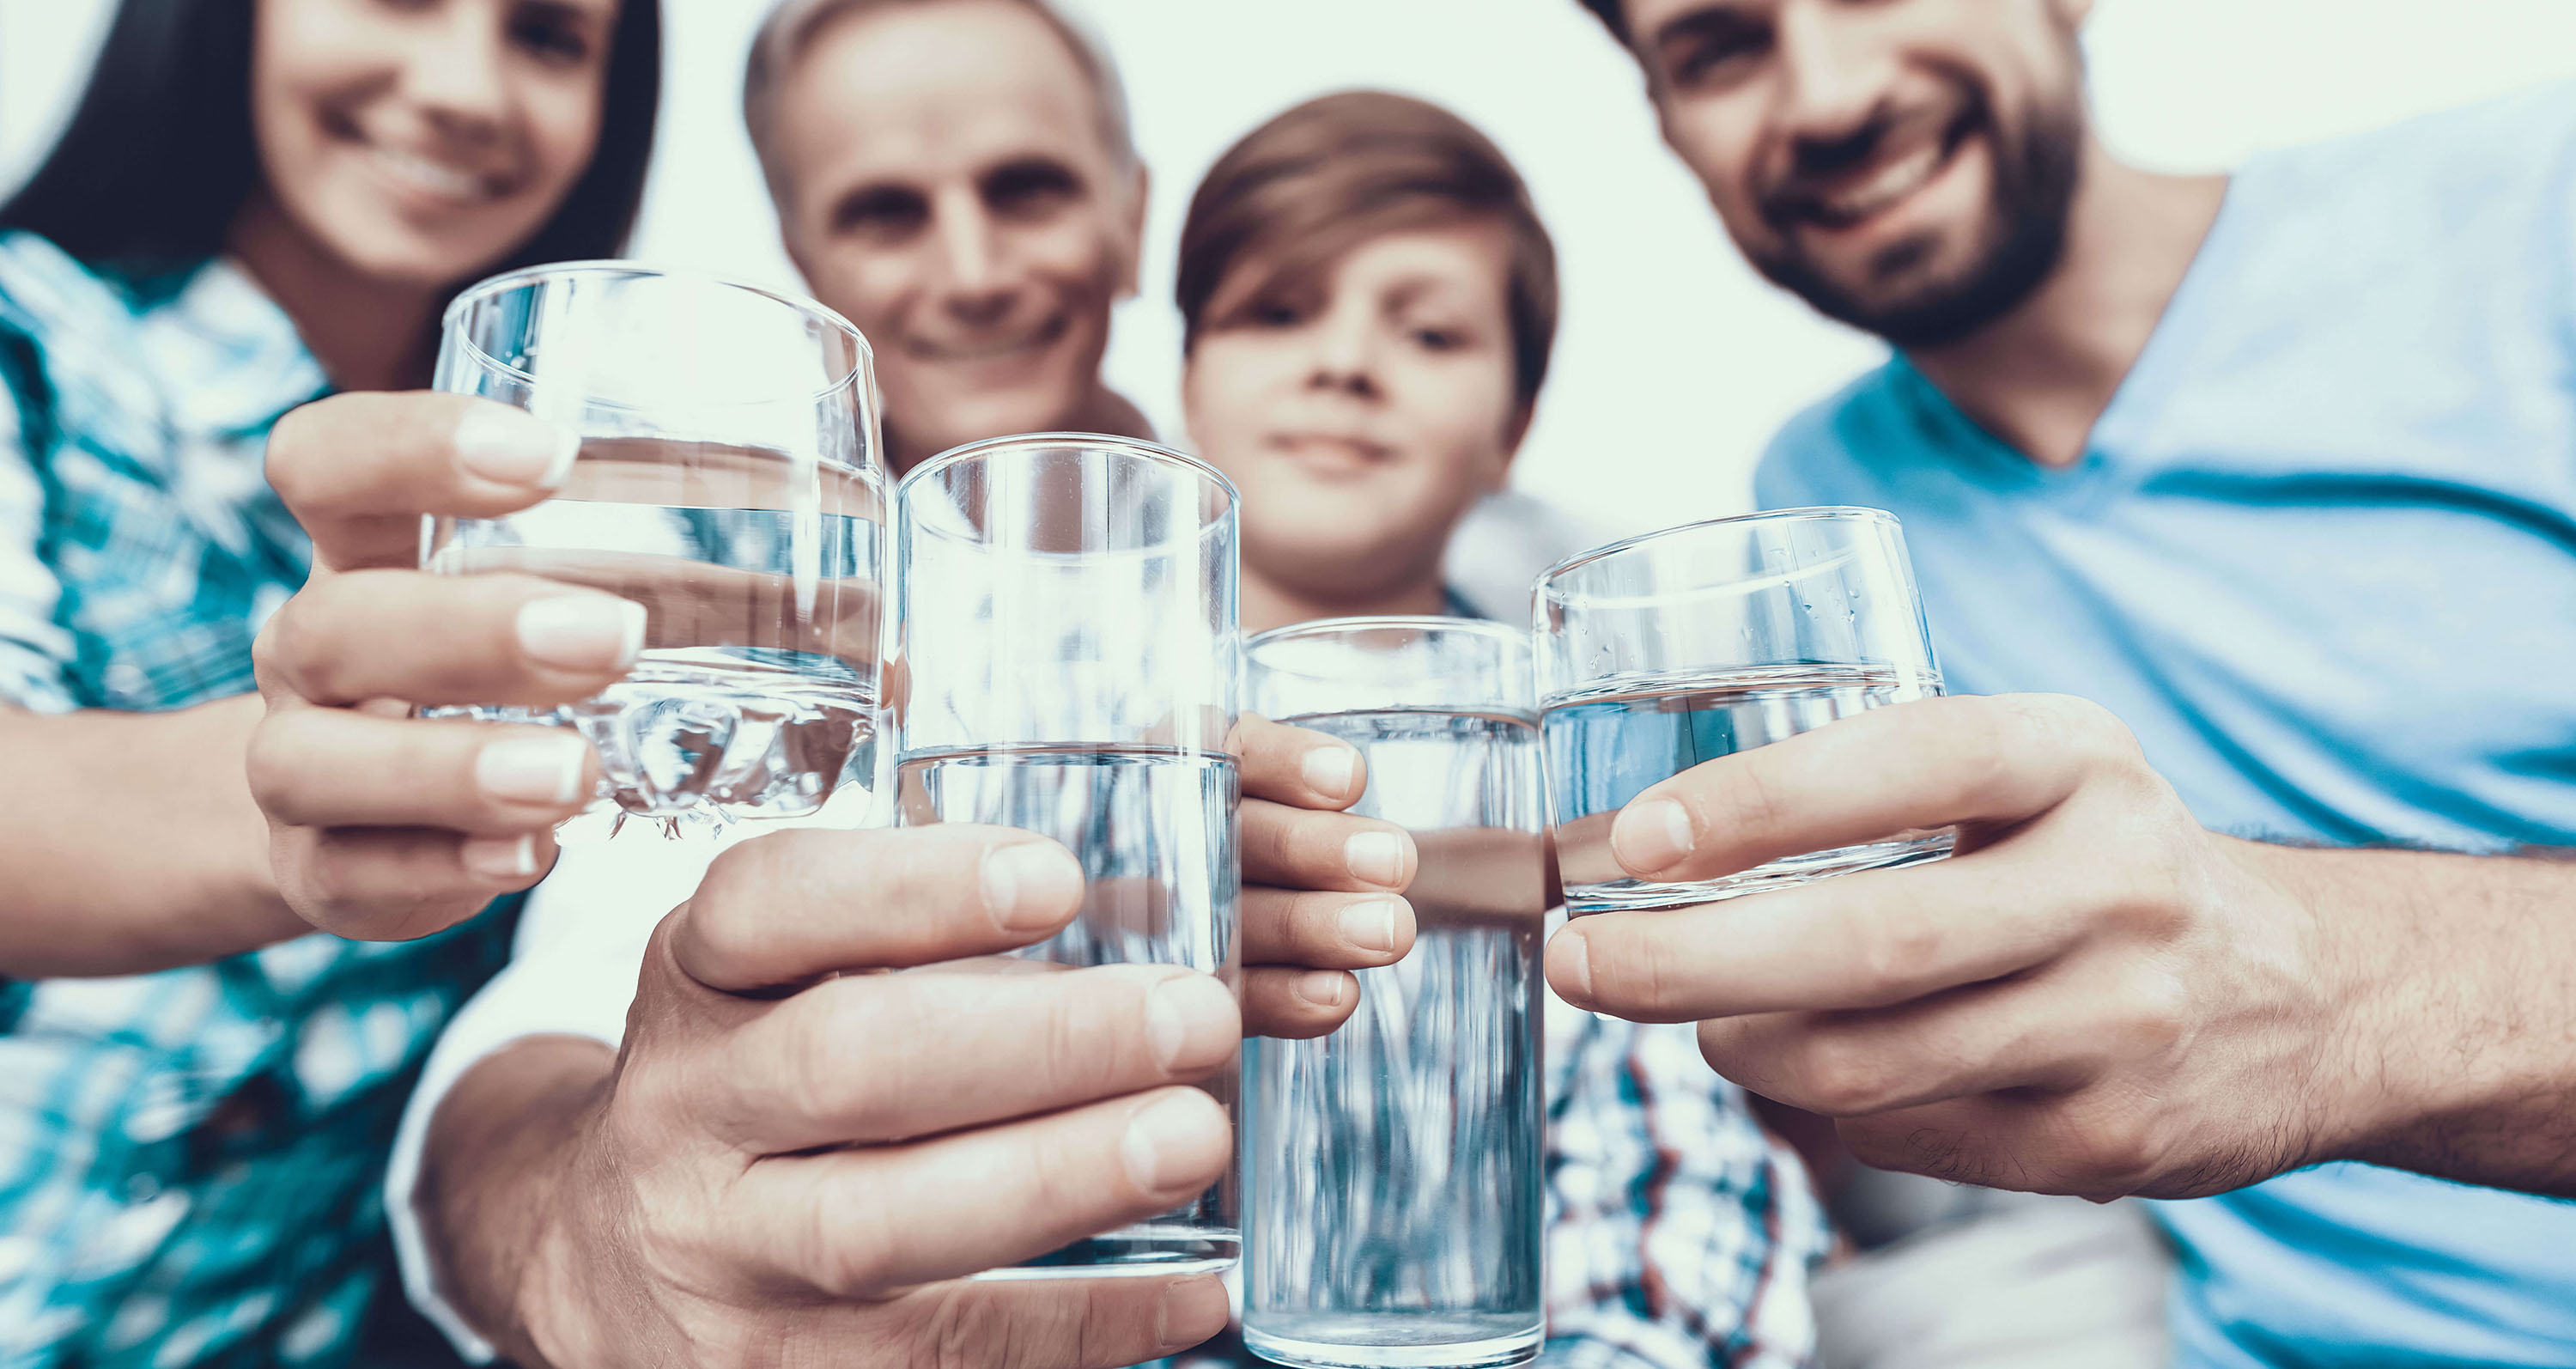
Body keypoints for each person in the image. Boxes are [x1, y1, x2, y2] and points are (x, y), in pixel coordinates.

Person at [1556, 0, 2576, 1365]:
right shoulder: (1823, 508)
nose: (1825, 96)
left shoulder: (2536, 211)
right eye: (1721, 47)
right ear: (1666, 123)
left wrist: (2323, 986)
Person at [0, 0, 661, 1362]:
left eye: (548, 37)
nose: (467, 86)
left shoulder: (600, 525)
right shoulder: (31, 337)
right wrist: (298, 796)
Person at [1166, 90, 1830, 1365]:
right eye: (1278, 310)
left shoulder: (1591, 763)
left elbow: (1676, 1192)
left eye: (1428, 331)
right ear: (1187, 375)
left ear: (1510, 430)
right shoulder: (1064, 745)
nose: (1346, 362)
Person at [742, 0, 1157, 474]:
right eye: (886, 213)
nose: (973, 279)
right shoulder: (677, 545)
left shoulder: (1253, 522)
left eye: (1027, 189)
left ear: (1133, 222)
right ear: (805, 266)